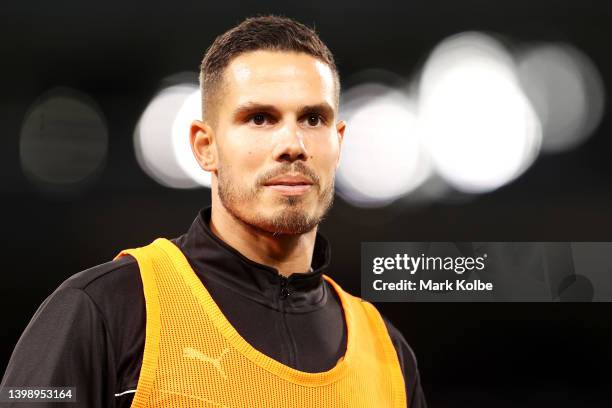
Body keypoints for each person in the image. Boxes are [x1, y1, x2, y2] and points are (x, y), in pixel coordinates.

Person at [1, 15, 427, 407]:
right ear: (205, 147)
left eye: (313, 119)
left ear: (338, 144)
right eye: (260, 118)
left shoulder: (388, 355)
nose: (293, 144)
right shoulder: (102, 311)